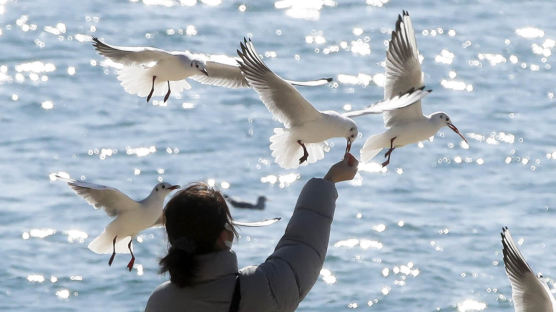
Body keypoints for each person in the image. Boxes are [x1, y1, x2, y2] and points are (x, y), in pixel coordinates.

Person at [145, 153, 359, 312]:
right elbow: (304, 246)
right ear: (224, 236)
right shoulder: (259, 289)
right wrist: (329, 180)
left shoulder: (159, 302)